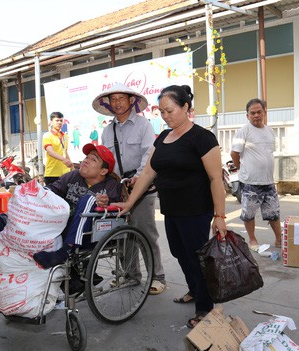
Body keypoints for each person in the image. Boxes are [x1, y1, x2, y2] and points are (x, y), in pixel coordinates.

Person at [111, 85, 227, 328]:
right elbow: (148, 171)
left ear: (186, 108)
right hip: (172, 209)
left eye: (170, 110)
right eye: (162, 112)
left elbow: (216, 179)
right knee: (179, 253)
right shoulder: (164, 137)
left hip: (196, 210)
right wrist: (130, 202)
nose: (166, 116)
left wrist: (220, 215)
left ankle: (205, 308)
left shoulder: (202, 138)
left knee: (197, 258)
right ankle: (195, 290)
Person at [92, 82, 167, 295]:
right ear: (108, 104)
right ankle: (130, 275)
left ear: (131, 101)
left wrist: (139, 176)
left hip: (142, 185)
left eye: (121, 98)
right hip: (117, 187)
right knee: (120, 233)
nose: (117, 103)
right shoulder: (107, 130)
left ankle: (157, 277)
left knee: (145, 231)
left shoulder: (144, 125)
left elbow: (148, 154)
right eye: (113, 99)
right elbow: (107, 160)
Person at [32, 143, 120, 268]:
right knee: (40, 195)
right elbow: (53, 189)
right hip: (63, 226)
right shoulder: (74, 175)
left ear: (103, 171)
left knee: (89, 200)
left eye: (93, 159)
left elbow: (116, 206)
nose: (86, 161)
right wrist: (35, 192)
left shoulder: (110, 185)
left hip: (90, 234)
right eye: (86, 157)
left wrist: (105, 202)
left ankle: (65, 251)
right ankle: (2, 221)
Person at [230, 98, 281, 251]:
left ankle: (279, 239)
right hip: (251, 182)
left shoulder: (270, 131)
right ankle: (252, 239)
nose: (256, 115)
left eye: (259, 112)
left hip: (268, 181)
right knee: (249, 213)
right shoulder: (244, 131)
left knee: (273, 212)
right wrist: (242, 169)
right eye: (252, 113)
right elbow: (234, 154)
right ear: (247, 115)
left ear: (264, 113)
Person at [42, 112, 73, 185]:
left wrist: (72, 168)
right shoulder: (47, 135)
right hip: (52, 174)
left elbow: (65, 152)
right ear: (51, 122)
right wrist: (64, 159)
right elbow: (50, 151)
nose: (59, 122)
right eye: (57, 120)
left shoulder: (65, 136)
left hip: (66, 173)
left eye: (61, 121)